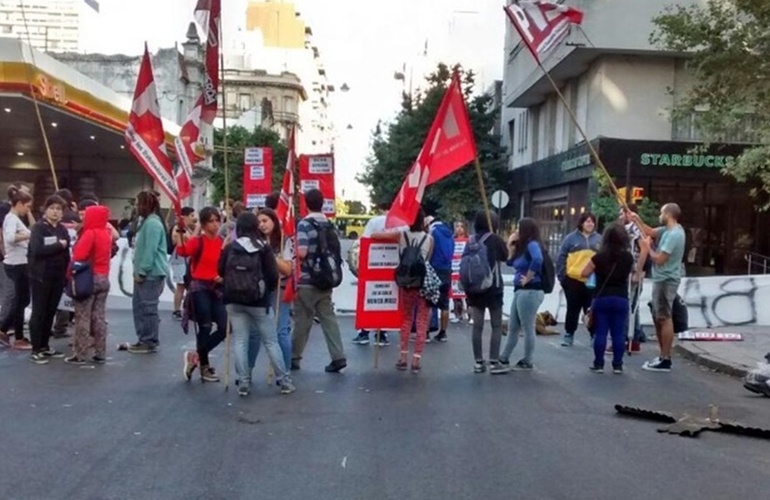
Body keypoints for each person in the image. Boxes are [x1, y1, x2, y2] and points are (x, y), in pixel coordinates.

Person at [220, 212, 295, 397]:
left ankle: (243, 381)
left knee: (240, 340)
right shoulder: (263, 248)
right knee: (271, 341)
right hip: (258, 301)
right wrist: (265, 290)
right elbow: (273, 275)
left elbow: (220, 270)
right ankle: (284, 380)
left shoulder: (230, 247)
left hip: (233, 300)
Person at [291, 188, 347, 372]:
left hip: (307, 279)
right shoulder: (329, 224)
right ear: (322, 204)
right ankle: (338, 356)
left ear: (305, 203)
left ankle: (294, 357)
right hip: (326, 278)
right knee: (328, 318)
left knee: (303, 319)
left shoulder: (304, 224)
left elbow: (302, 252)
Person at [373, 207, 433, 372]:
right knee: (421, 321)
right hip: (423, 284)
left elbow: (376, 235)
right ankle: (416, 359)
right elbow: (427, 260)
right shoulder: (429, 239)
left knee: (406, 319)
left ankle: (403, 357)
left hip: (406, 283)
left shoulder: (401, 236)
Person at [630, 203, 686, 372]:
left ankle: (666, 358)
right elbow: (649, 232)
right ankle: (662, 355)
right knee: (658, 315)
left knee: (664, 317)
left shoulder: (674, 234)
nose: (660, 216)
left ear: (668, 214)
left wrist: (648, 248)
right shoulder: (667, 230)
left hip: (666, 279)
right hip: (661, 278)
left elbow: (660, 259)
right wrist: (637, 219)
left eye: (662, 213)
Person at [177, 207, 227, 382]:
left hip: (217, 287)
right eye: (211, 221)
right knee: (205, 327)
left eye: (217, 220)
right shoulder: (198, 241)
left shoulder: (223, 242)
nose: (215, 224)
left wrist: (223, 277)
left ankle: (195, 356)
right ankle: (204, 366)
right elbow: (182, 252)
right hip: (199, 287)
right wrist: (180, 234)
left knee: (224, 328)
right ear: (204, 224)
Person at [492, 218, 546, 373]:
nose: (516, 231)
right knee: (513, 326)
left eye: (519, 229)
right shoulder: (522, 247)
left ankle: (527, 360)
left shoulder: (532, 245)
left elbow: (538, 259)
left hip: (530, 290)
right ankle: (504, 357)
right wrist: (510, 245)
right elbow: (510, 262)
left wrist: (528, 277)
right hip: (521, 290)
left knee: (527, 327)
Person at [580, 223, 634, 373]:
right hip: (621, 297)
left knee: (601, 332)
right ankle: (617, 365)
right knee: (618, 333)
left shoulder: (598, 257)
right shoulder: (628, 257)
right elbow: (635, 274)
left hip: (602, 296)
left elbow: (584, 273)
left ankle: (599, 364)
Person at [351, 201, 406, 347]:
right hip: (393, 267)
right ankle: (382, 334)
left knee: (370, 300)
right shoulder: (401, 224)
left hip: (373, 266)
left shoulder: (374, 222)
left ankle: (364, 333)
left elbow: (365, 242)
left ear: (382, 209)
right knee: (387, 301)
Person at [65, 204, 113, 365]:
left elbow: (79, 256)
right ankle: (100, 352)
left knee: (82, 317)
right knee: (99, 317)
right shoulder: (106, 234)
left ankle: (80, 353)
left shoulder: (90, 233)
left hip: (88, 279)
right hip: (103, 278)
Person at [27, 195, 70, 363]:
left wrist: (67, 274)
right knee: (39, 311)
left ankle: (45, 346)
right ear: (45, 210)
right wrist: (59, 245)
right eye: (52, 208)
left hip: (58, 276)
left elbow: (67, 251)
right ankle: (36, 348)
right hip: (41, 275)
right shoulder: (38, 228)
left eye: (58, 209)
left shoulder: (62, 229)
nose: (55, 212)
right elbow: (38, 250)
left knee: (51, 311)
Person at [463, 212, 508, 373]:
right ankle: (494, 362)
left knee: (477, 326)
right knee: (496, 325)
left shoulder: (471, 241)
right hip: (493, 287)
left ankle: (478, 362)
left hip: (475, 288)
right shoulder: (495, 239)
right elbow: (505, 257)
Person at [128, 191, 168, 354]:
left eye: (138, 204)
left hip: (150, 274)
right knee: (140, 307)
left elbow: (150, 250)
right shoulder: (146, 222)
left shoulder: (152, 224)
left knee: (147, 308)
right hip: (145, 272)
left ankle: (149, 340)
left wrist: (142, 271)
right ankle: (143, 338)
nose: (136, 207)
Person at [257, 207, 294, 379]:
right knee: (255, 333)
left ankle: (284, 372)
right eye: (259, 222)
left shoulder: (284, 241)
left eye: (265, 221)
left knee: (281, 331)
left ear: (274, 221)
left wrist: (270, 254)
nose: (262, 225)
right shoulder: (255, 240)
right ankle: (245, 373)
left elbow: (288, 269)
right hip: (258, 289)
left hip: (279, 288)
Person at [556, 212, 601, 346]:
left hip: (592, 280)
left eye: (592, 221)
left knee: (591, 309)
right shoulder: (570, 239)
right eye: (587, 221)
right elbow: (561, 257)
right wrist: (563, 277)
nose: (590, 224)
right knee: (572, 308)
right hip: (573, 280)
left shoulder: (599, 239)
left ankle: (594, 335)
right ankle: (569, 334)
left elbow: (604, 257)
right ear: (581, 223)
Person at [0, 183, 33, 346]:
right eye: (27, 206)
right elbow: (10, 237)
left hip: (18, 262)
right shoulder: (12, 219)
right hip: (17, 264)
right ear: (19, 204)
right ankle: (9, 331)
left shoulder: (12, 218)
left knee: (22, 300)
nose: (28, 210)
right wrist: (28, 235)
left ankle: (9, 330)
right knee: (21, 300)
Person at [620, 205, 649, 351]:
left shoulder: (634, 228)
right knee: (632, 305)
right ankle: (635, 336)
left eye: (621, 214)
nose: (620, 217)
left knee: (628, 303)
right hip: (627, 270)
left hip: (632, 271)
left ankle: (627, 338)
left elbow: (644, 248)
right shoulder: (626, 228)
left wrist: (638, 271)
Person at [425, 215, 454, 342]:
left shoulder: (433, 232)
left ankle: (426, 333)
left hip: (434, 269)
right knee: (445, 304)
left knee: (429, 302)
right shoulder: (450, 233)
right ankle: (443, 333)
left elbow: (428, 250)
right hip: (447, 270)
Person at [170, 207, 196, 320]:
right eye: (191, 216)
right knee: (180, 285)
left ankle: (188, 309)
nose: (193, 218)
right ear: (184, 217)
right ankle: (176, 310)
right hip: (179, 259)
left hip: (188, 260)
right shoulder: (178, 228)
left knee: (189, 285)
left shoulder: (189, 228)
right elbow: (190, 240)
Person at [452, 220, 470, 324]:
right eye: (457, 226)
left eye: (461, 226)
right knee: (456, 294)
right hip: (454, 270)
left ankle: (470, 315)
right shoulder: (452, 240)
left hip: (466, 270)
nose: (459, 229)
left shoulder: (469, 240)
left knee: (468, 295)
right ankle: (458, 314)